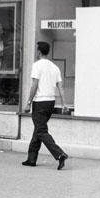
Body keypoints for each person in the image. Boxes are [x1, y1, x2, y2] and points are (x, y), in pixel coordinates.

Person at [22, 41, 69, 170]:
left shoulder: (37, 65)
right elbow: (61, 87)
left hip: (40, 102)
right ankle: (31, 159)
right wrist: (64, 103)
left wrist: (28, 102)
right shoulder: (55, 67)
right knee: (39, 129)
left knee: (41, 130)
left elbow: (34, 85)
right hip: (50, 102)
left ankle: (59, 154)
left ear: (38, 51)